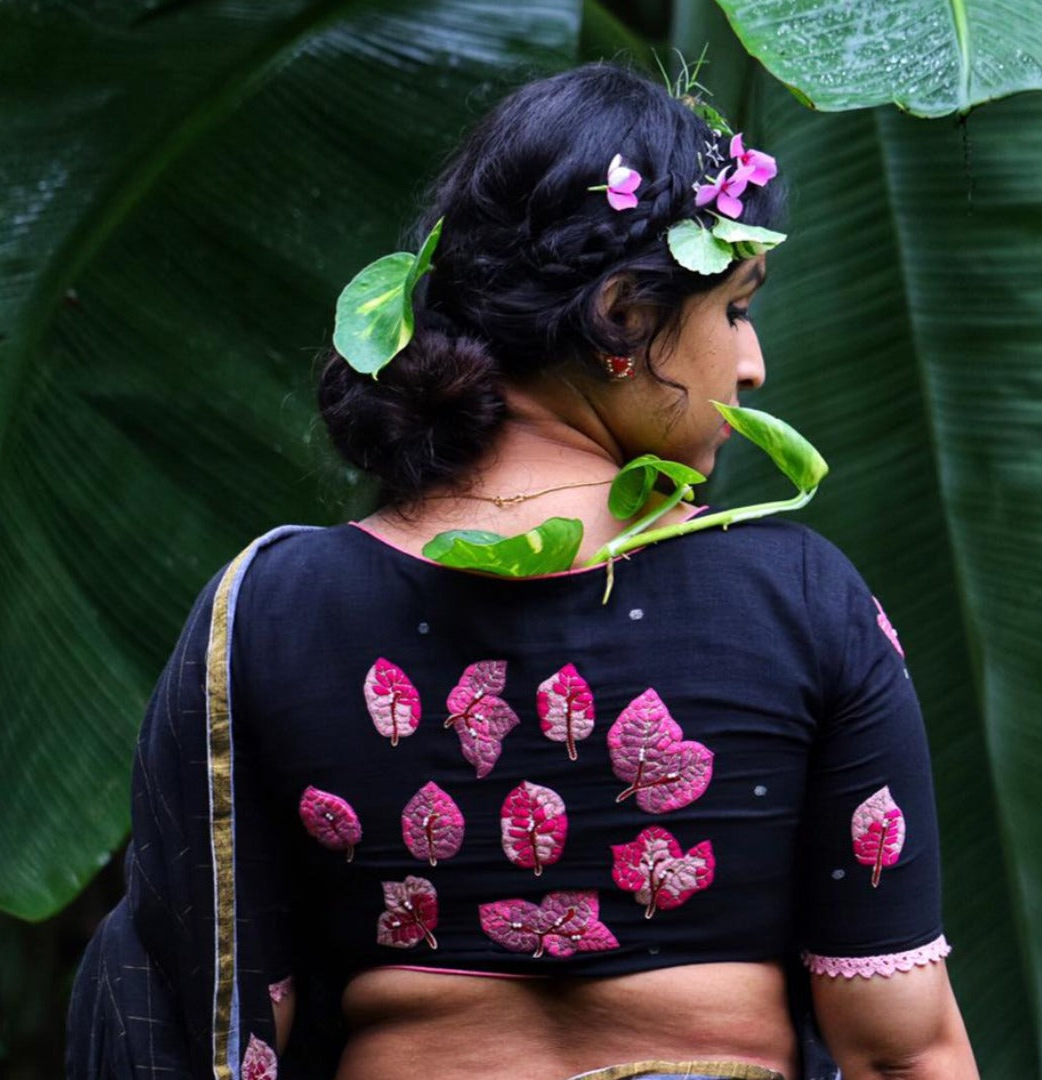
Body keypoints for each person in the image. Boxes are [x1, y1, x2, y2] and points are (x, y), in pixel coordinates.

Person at [67, 64, 979, 1080]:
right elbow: (902, 1052)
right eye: (733, 310)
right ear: (624, 316)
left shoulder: (272, 609)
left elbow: (211, 1031)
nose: (752, 362)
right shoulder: (800, 600)